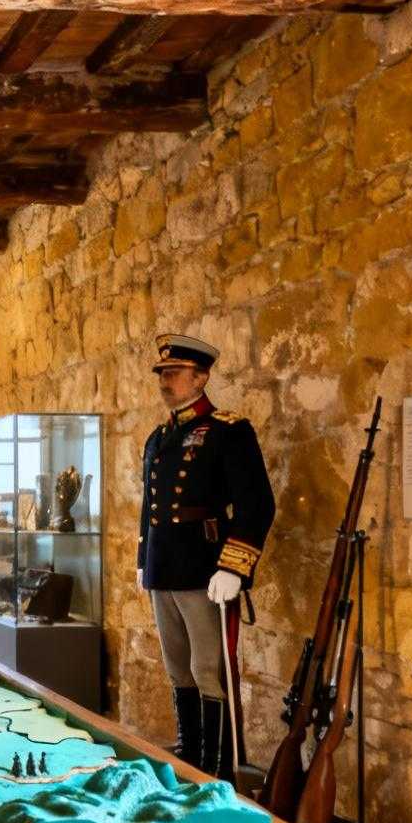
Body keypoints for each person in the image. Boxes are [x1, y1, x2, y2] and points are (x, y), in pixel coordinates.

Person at [138, 334, 275, 781]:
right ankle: (189, 759)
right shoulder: (159, 437)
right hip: (164, 567)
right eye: (162, 373)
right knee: (178, 667)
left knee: (208, 670)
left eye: (174, 373)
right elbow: (149, 506)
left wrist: (234, 566)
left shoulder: (228, 431)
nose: (165, 381)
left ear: (201, 377)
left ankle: (217, 770)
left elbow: (257, 505)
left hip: (204, 569)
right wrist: (143, 558)